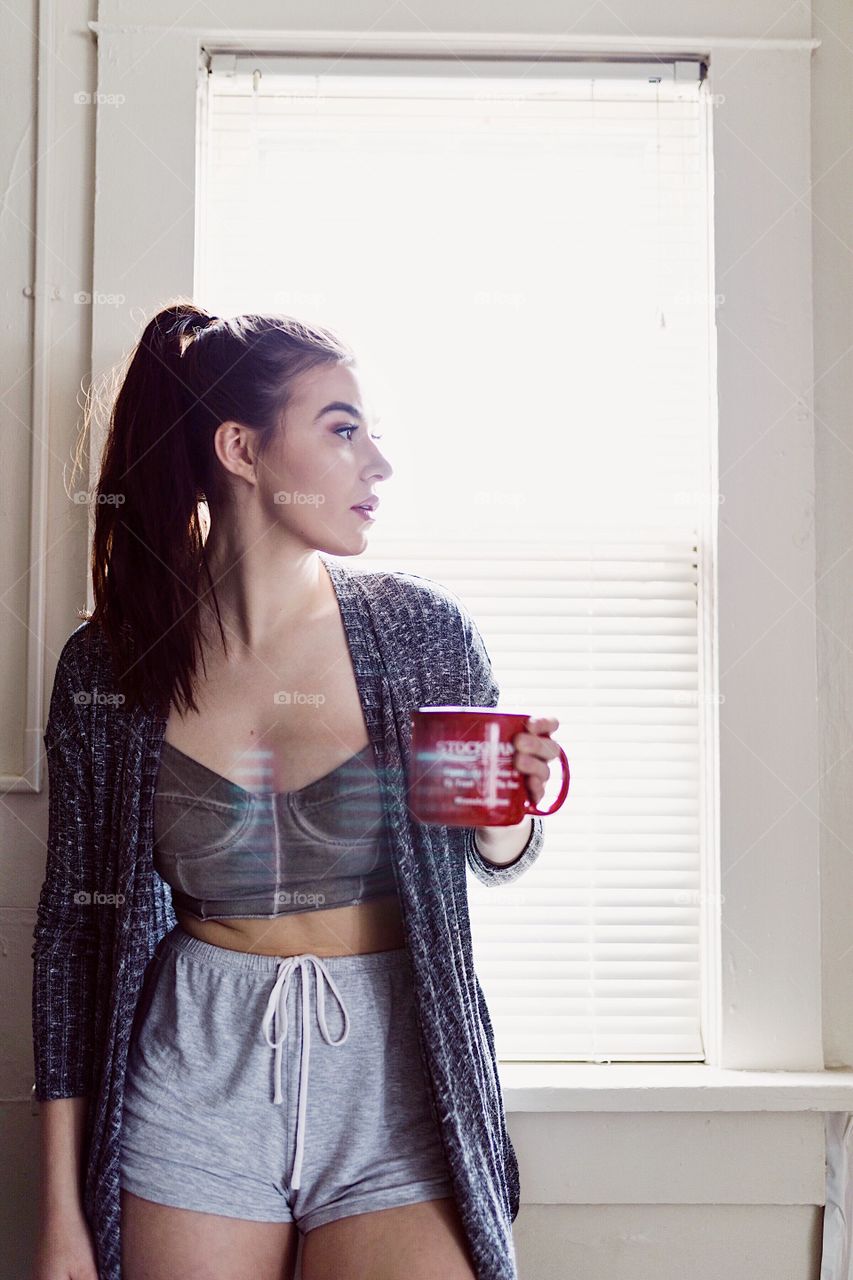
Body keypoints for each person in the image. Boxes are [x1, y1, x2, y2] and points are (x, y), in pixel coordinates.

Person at [30, 303, 563, 1280]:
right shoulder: (108, 667)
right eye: (342, 428)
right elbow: (72, 935)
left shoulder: (417, 634)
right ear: (241, 448)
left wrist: (504, 818)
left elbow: (487, 853)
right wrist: (59, 1207)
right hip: (195, 1072)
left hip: (396, 1082)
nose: (378, 465)